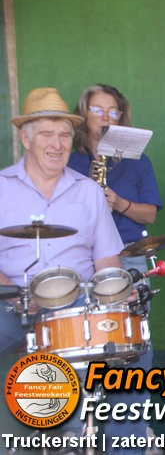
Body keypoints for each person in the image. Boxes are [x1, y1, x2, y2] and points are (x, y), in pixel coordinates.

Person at [0, 88, 128, 445]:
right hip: (9, 300)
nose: (57, 145)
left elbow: (106, 259)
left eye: (64, 135)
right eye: (46, 134)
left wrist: (116, 292)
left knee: (124, 344)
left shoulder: (88, 191)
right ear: (26, 139)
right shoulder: (1, 187)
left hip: (75, 303)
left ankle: (87, 443)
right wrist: (15, 296)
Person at [68, 84, 163, 271]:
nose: (105, 118)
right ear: (84, 114)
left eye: (113, 112)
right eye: (97, 110)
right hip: (81, 254)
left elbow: (150, 215)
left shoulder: (138, 161)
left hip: (129, 253)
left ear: (120, 118)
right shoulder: (69, 163)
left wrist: (119, 203)